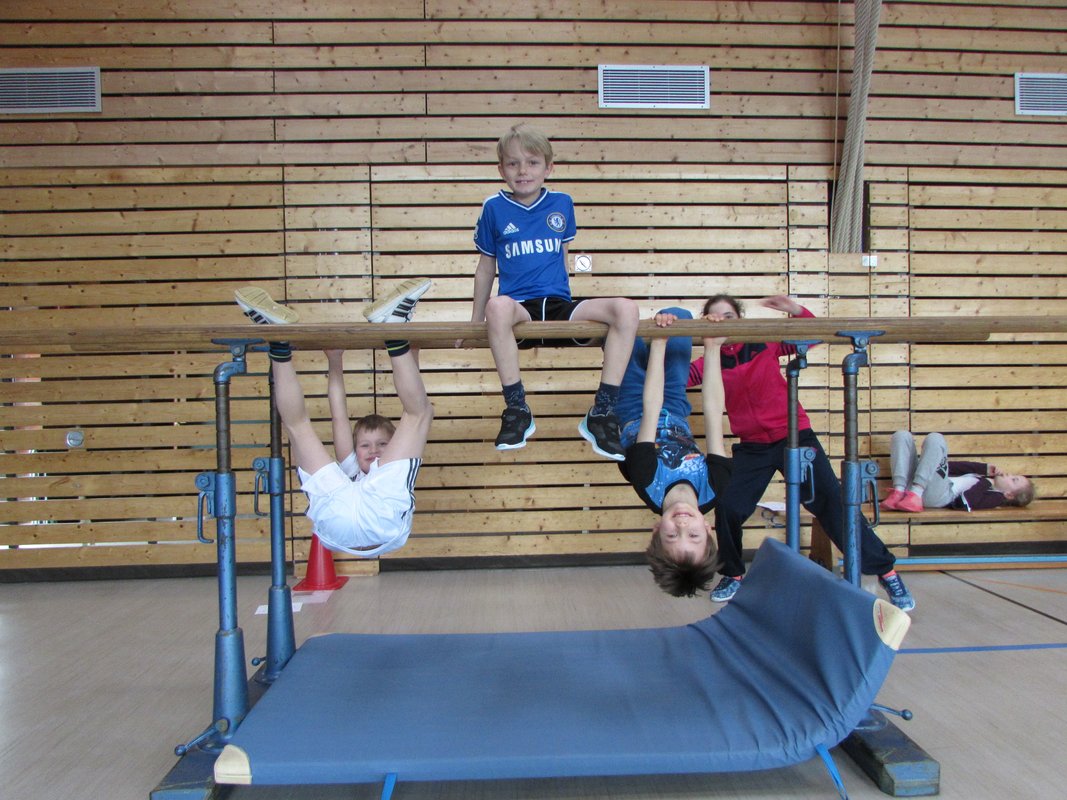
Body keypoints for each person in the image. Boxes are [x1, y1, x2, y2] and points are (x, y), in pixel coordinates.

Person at [688, 294, 915, 612]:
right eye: (715, 318)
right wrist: (671, 338)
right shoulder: (709, 362)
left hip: (794, 434)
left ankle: (887, 572)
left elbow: (812, 335)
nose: (723, 323)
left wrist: (795, 310)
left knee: (832, 504)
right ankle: (733, 574)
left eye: (729, 316)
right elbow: (678, 378)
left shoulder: (764, 342)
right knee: (728, 507)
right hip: (753, 446)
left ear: (740, 319)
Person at [466, 123, 639, 460]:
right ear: (501, 170)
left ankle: (602, 412)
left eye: (532, 162)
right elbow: (486, 267)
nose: (523, 171)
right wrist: (475, 321)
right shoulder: (494, 208)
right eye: (513, 163)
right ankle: (517, 408)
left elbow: (562, 256)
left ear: (548, 168)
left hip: (559, 303)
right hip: (519, 308)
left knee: (627, 309)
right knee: (497, 307)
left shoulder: (562, 203)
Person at [234, 279, 434, 557]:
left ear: (393, 448)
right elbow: (341, 415)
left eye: (381, 445)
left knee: (417, 414)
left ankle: (280, 340)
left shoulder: (352, 464)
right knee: (297, 426)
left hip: (371, 521)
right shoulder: (367, 468)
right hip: (347, 525)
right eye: (367, 445)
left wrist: (335, 362)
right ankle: (277, 341)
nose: (374, 452)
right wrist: (337, 361)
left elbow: (341, 415)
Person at [615, 306, 732, 597]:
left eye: (671, 534)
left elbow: (650, 408)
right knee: (679, 316)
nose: (681, 524)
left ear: (656, 530)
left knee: (623, 327)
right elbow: (714, 412)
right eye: (693, 535)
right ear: (708, 528)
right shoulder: (714, 486)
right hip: (676, 406)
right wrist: (712, 347)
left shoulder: (647, 481)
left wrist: (658, 343)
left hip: (633, 405)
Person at [882, 431, 1035, 512]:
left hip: (939, 496)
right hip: (923, 486)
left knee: (936, 439)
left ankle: (915, 494)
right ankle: (899, 491)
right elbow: (947, 466)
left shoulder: (994, 497)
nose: (1009, 475)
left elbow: (964, 502)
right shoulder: (981, 477)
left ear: (1008, 494)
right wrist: (983, 469)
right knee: (901, 436)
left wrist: (987, 482)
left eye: (1014, 480)